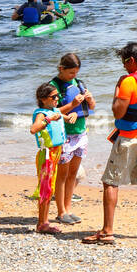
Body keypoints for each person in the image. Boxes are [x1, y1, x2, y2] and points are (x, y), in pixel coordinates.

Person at [83, 42, 137, 245]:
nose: (124, 68)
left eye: (124, 63)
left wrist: (118, 87)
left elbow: (118, 111)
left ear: (132, 61)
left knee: (111, 181)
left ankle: (107, 231)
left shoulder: (128, 81)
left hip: (129, 137)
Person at [50, 52, 95, 225]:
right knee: (62, 175)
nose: (74, 76)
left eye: (76, 72)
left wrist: (90, 100)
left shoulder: (79, 83)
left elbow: (91, 107)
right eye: (71, 73)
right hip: (65, 136)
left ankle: (68, 209)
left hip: (81, 133)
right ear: (61, 69)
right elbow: (51, 112)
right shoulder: (53, 87)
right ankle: (61, 212)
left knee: (73, 175)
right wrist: (72, 106)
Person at [30, 83, 76, 235]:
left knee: (50, 188)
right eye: (54, 97)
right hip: (47, 154)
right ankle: (42, 223)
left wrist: (72, 116)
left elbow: (67, 118)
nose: (58, 99)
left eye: (58, 96)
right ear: (43, 99)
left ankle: (43, 222)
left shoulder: (55, 110)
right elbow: (34, 129)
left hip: (56, 153)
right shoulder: (42, 114)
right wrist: (49, 120)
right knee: (46, 189)